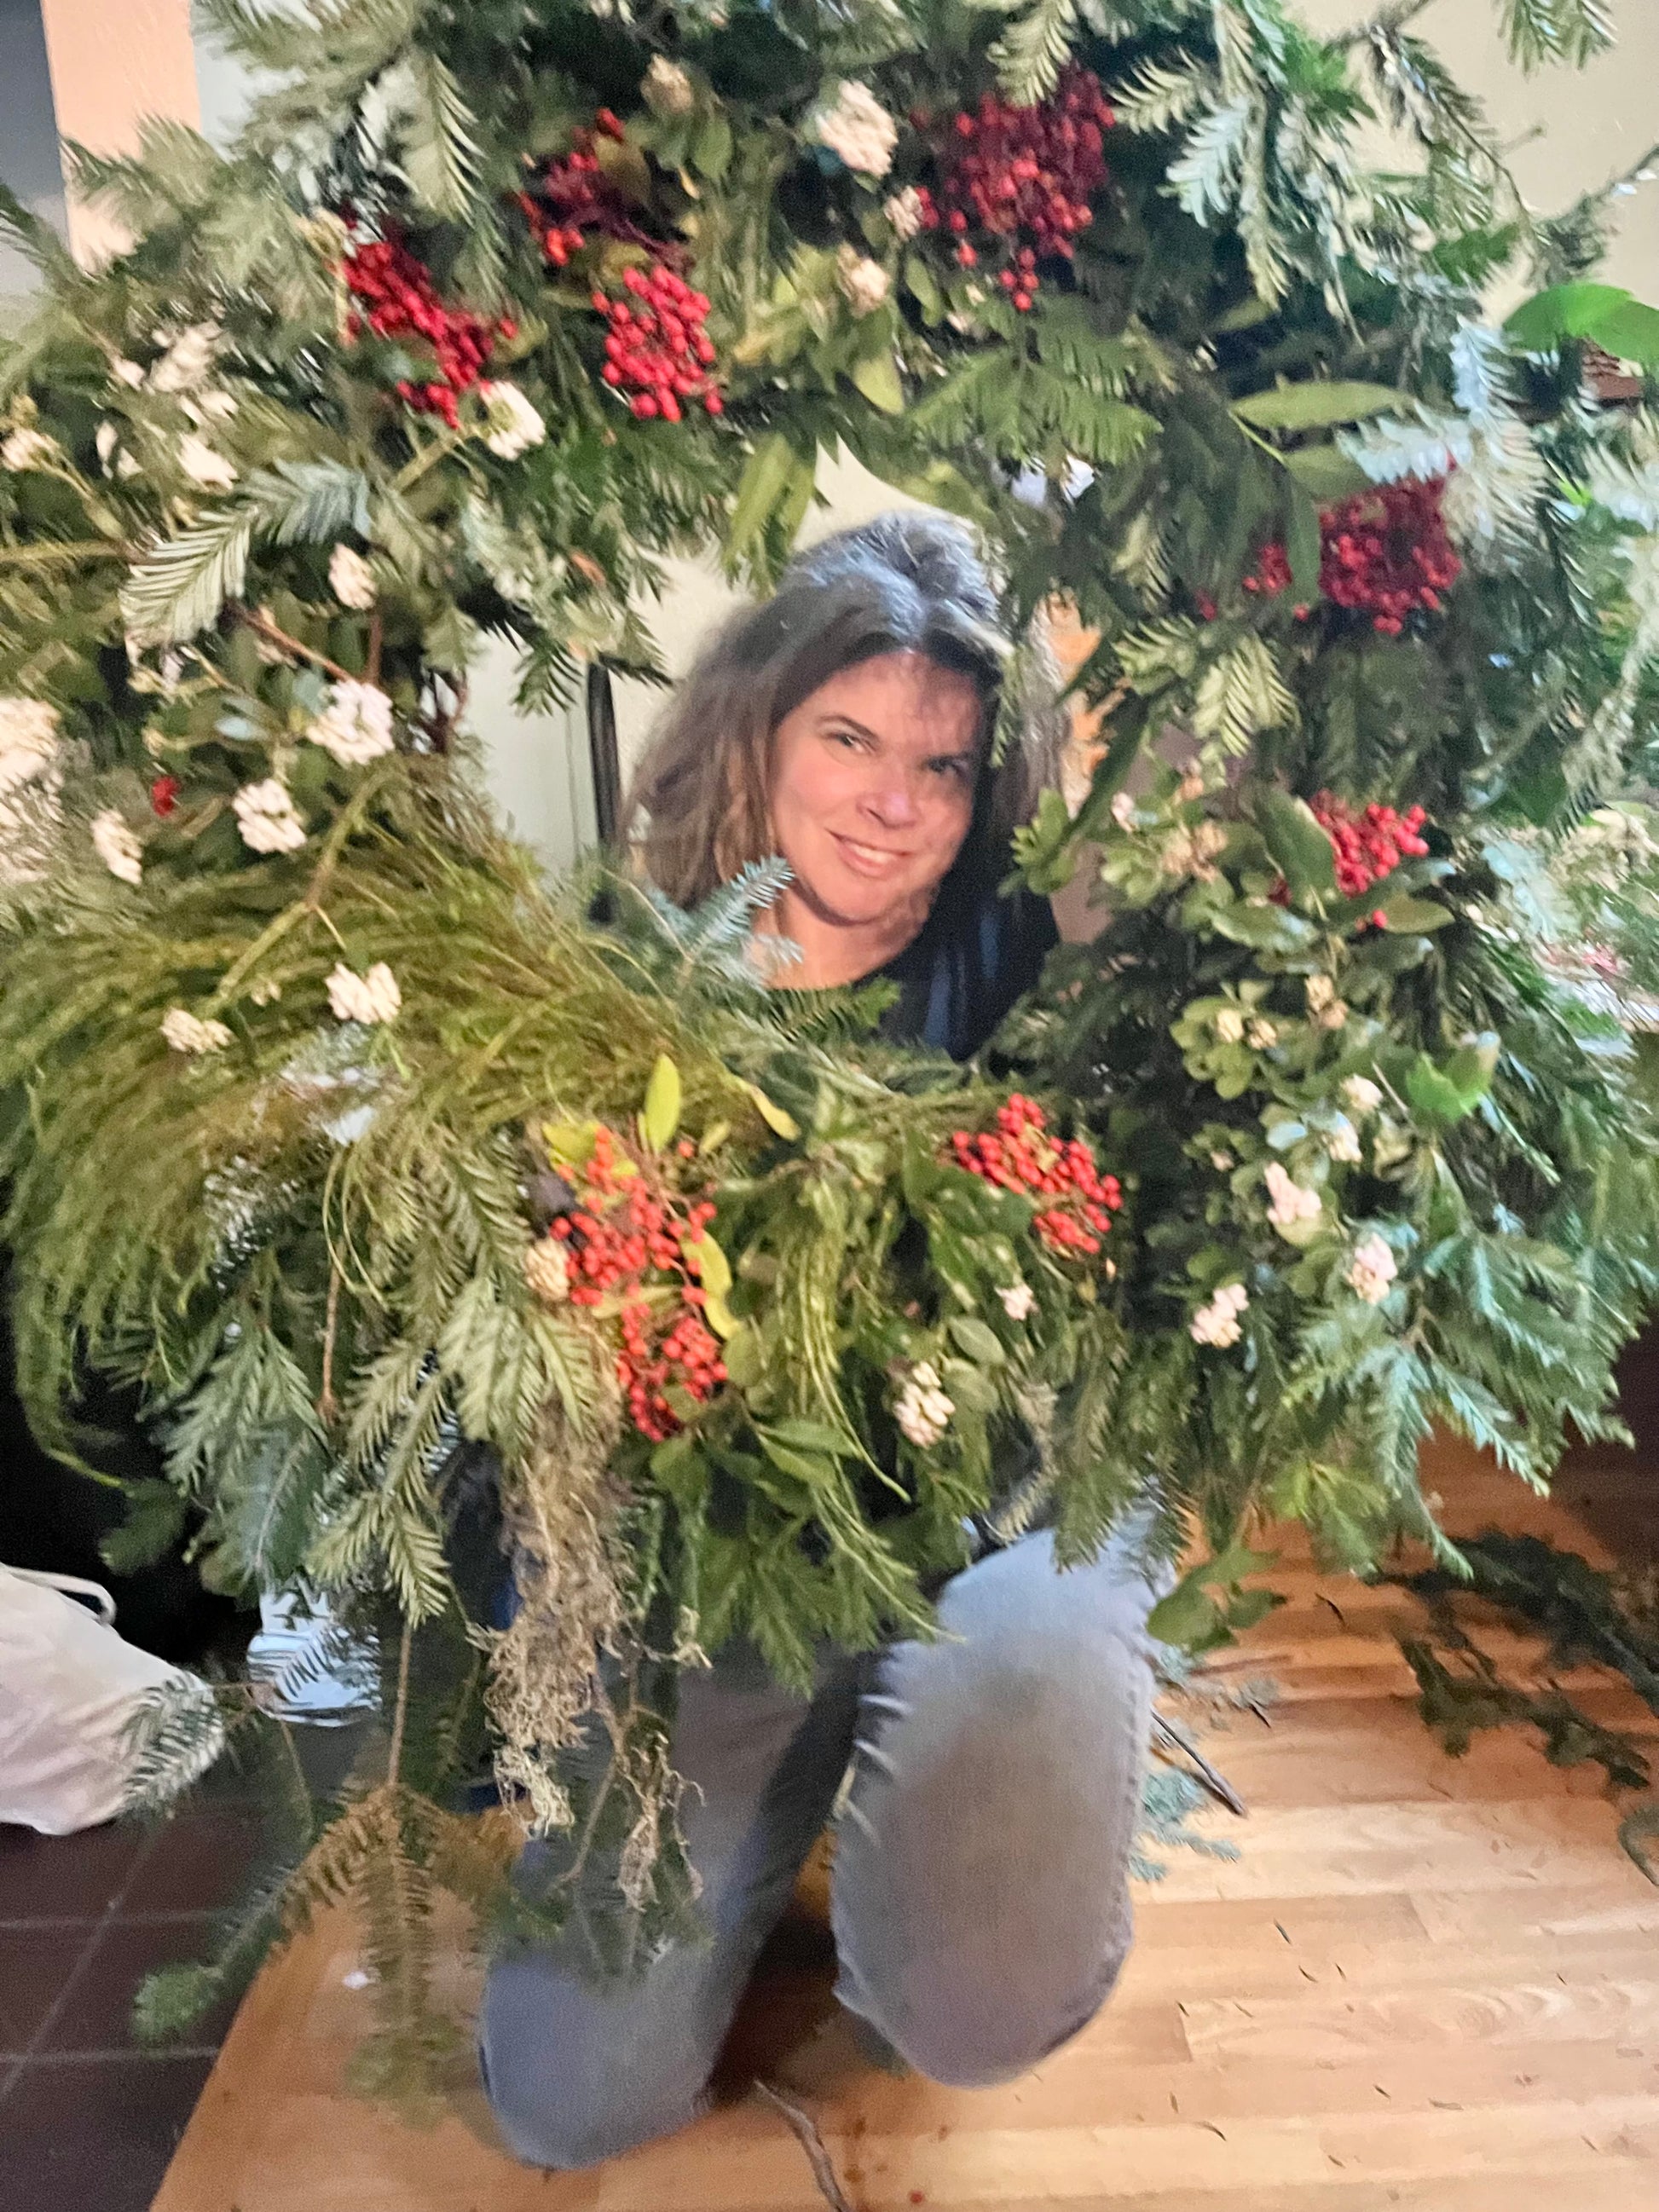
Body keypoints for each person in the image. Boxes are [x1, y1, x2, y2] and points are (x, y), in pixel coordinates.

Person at [478, 511, 1163, 2169]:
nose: (888, 800)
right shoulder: (619, 981)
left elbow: (1142, 851)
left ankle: (1016, 1739)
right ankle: (800, 1764)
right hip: (728, 1566)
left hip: (996, 1518)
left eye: (938, 765)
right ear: (756, 732)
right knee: (574, 2099)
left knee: (976, 1995)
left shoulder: (1018, 954)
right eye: (847, 738)